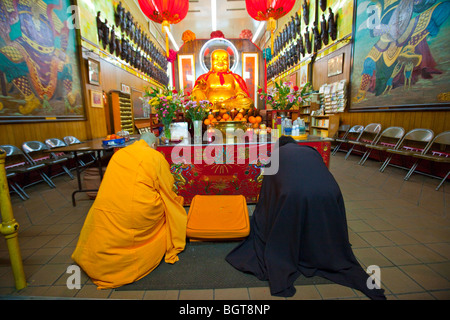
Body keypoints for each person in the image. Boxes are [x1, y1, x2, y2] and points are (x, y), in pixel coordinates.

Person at [225, 136, 386, 300]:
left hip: (293, 194)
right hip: (330, 191)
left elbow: (268, 192)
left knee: (293, 204)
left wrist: (264, 213)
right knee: (317, 215)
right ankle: (316, 246)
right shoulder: (311, 151)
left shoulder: (276, 154)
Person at [72, 133, 187, 289]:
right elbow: (167, 186)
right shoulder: (155, 156)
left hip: (110, 206)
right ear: (153, 146)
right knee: (169, 205)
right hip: (139, 211)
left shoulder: (119, 155)